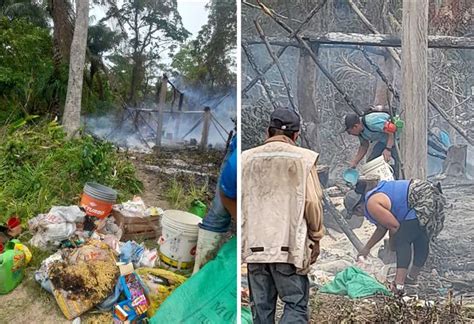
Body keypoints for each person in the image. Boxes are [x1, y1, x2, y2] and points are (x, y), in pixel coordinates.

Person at [242, 108, 324, 323]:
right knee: (295, 305)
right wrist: (316, 237)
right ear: (296, 135)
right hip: (290, 248)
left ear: (267, 132)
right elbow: (312, 202)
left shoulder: (246, 159)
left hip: (255, 248)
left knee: (261, 311)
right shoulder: (304, 159)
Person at [344, 179, 446, 294]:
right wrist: (366, 248)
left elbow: (394, 226)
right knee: (420, 237)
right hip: (428, 192)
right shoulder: (374, 196)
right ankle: (412, 279)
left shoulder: (371, 204)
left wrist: (393, 245)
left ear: (358, 208)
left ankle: (398, 285)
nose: (358, 216)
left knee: (403, 239)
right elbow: (382, 227)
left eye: (355, 214)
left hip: (421, 197)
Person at [192, 134, 237, 274]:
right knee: (219, 213)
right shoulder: (235, 167)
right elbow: (226, 196)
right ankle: (199, 271)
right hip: (233, 174)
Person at [343, 112, 399, 178]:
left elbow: (391, 130)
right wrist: (355, 162)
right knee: (370, 164)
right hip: (383, 141)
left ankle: (397, 177)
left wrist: (388, 149)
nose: (350, 134)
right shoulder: (360, 132)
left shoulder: (371, 122)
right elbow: (364, 146)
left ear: (356, 126)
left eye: (350, 132)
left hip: (394, 138)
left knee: (398, 161)